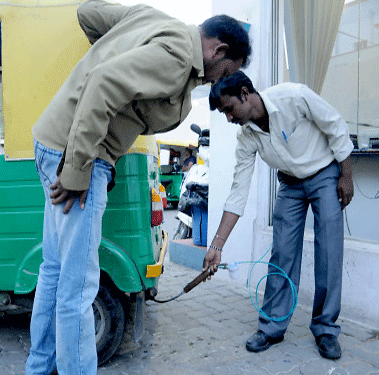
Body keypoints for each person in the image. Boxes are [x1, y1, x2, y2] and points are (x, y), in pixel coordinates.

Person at [26, 0, 251, 374]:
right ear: (218, 50)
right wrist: (79, 169)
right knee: (78, 287)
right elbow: (103, 82)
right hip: (78, 155)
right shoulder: (179, 56)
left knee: (55, 269)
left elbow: (88, 14)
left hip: (53, 139)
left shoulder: (153, 22)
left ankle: (39, 367)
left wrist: (112, 48)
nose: (220, 80)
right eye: (227, 70)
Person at [203, 71, 354, 360]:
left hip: (325, 173)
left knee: (329, 252)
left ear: (245, 93)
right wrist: (216, 245)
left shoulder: (293, 96)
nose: (229, 118)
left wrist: (346, 175)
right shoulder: (246, 136)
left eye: (229, 109)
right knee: (282, 252)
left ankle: (325, 328)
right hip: (290, 184)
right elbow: (238, 192)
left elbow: (335, 125)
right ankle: (272, 326)